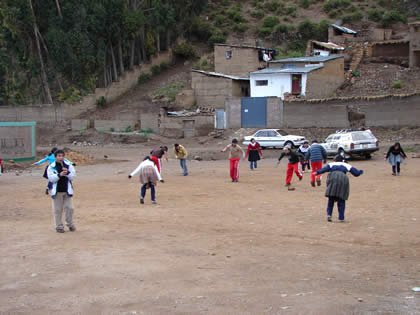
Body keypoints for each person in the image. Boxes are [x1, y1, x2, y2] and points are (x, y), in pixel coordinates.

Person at [315, 154, 363, 222]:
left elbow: (324, 169)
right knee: (341, 198)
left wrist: (317, 172)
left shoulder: (332, 164)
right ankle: (341, 217)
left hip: (332, 177)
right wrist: (361, 172)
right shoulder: (346, 165)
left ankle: (329, 214)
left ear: (335, 160)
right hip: (343, 178)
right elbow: (356, 173)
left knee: (331, 198)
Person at [47, 150, 76, 233]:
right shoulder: (51, 167)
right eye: (59, 156)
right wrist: (59, 175)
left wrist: (67, 173)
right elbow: (51, 179)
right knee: (57, 209)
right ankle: (59, 226)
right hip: (57, 191)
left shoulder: (68, 165)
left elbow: (73, 177)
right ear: (55, 157)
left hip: (67, 190)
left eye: (62, 156)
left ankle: (70, 224)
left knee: (70, 208)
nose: (61, 158)